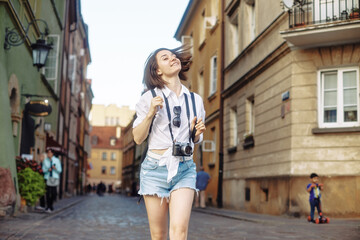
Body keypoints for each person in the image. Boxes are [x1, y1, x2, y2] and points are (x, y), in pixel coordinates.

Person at [133, 46, 206, 240]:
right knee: (158, 235)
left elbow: (196, 138)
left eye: (173, 56)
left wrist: (197, 134)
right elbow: (138, 138)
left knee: (179, 231)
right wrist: (150, 114)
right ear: (157, 70)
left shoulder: (195, 100)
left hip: (184, 168)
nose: (172, 58)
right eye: (165, 58)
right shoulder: (148, 98)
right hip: (154, 170)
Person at [42, 148, 62, 213]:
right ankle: (48, 206)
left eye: (50, 153)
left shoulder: (56, 160)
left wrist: (55, 168)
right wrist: (48, 170)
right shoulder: (45, 161)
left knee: (54, 193)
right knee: (47, 193)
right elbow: (43, 170)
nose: (49, 154)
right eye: (48, 153)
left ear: (52, 153)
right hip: (47, 178)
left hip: (54, 178)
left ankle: (51, 205)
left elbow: (60, 170)